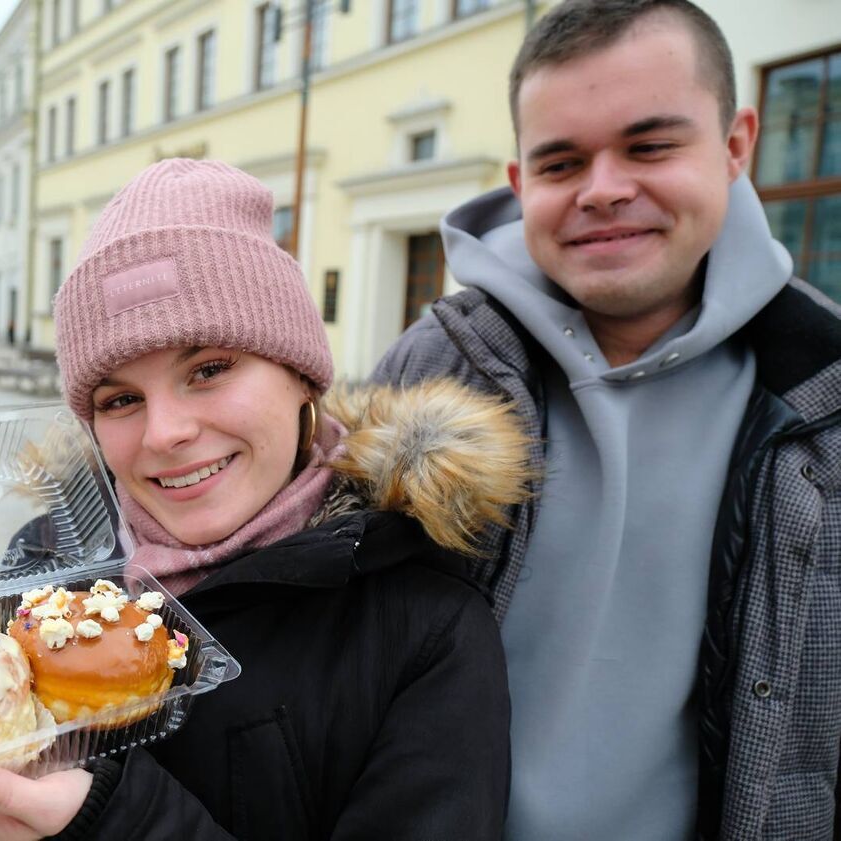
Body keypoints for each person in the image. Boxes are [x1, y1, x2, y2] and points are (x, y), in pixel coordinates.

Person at [0, 159, 534, 841]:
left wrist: (104, 822)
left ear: (302, 374)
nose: (167, 433)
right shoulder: (46, 567)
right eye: (119, 398)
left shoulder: (425, 630)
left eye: (209, 368)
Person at [372, 2, 841, 839]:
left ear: (736, 145)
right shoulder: (430, 370)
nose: (605, 189)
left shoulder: (823, 395)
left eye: (650, 145)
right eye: (562, 162)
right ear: (521, 184)